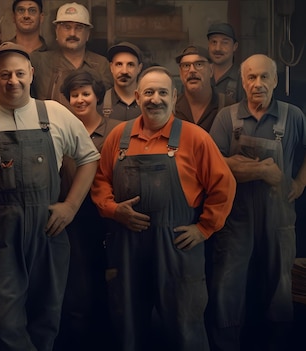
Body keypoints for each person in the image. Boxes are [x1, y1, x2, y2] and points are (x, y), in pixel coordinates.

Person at [0, 42, 99, 351]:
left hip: (48, 233)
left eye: (19, 73)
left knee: (47, 316)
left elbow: (89, 158)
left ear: (31, 74)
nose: (12, 80)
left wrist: (71, 206)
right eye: (4, 74)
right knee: (1, 320)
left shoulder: (55, 113)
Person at [91, 66, 236, 351]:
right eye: (148, 92)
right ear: (137, 96)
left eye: (161, 92)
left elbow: (224, 186)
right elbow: (100, 183)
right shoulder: (119, 137)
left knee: (185, 330)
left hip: (177, 248)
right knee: (128, 330)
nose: (154, 99)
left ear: (173, 95)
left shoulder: (195, 138)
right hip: (127, 249)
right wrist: (112, 209)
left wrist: (204, 228)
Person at [207, 54, 306, 350]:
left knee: (280, 285)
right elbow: (214, 164)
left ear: (275, 81)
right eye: (251, 77)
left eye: (264, 77)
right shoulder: (228, 117)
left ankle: (279, 345)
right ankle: (226, 344)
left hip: (279, 217)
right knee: (227, 285)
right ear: (243, 81)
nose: (258, 83)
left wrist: (300, 183)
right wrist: (263, 170)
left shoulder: (293, 116)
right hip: (235, 216)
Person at [54, 69, 121, 351]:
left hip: (113, 221)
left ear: (97, 97)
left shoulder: (118, 130)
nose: (80, 100)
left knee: (115, 293)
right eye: (74, 95)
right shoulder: (61, 132)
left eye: (85, 93)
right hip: (76, 223)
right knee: (78, 295)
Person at [30, 2, 113, 109]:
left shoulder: (102, 65)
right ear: (57, 31)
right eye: (66, 27)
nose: (72, 33)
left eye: (79, 27)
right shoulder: (39, 61)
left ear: (87, 34)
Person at [0, 0, 48, 79]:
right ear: (13, 17)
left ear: (41, 17)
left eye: (32, 11)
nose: (26, 16)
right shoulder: (1, 51)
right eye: (21, 10)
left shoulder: (51, 55)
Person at [174, 45, 234, 131]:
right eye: (186, 65)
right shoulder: (172, 107)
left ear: (211, 70)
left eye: (199, 64)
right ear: (180, 73)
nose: (192, 70)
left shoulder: (227, 106)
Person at [98, 41, 143, 121]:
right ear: (111, 67)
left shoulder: (148, 103)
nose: (124, 71)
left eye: (130, 65)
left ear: (139, 68)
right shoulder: (99, 104)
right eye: (119, 64)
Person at [207, 22, 244, 101]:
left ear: (235, 46)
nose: (218, 48)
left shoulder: (243, 78)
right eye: (214, 42)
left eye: (225, 42)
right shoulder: (202, 75)